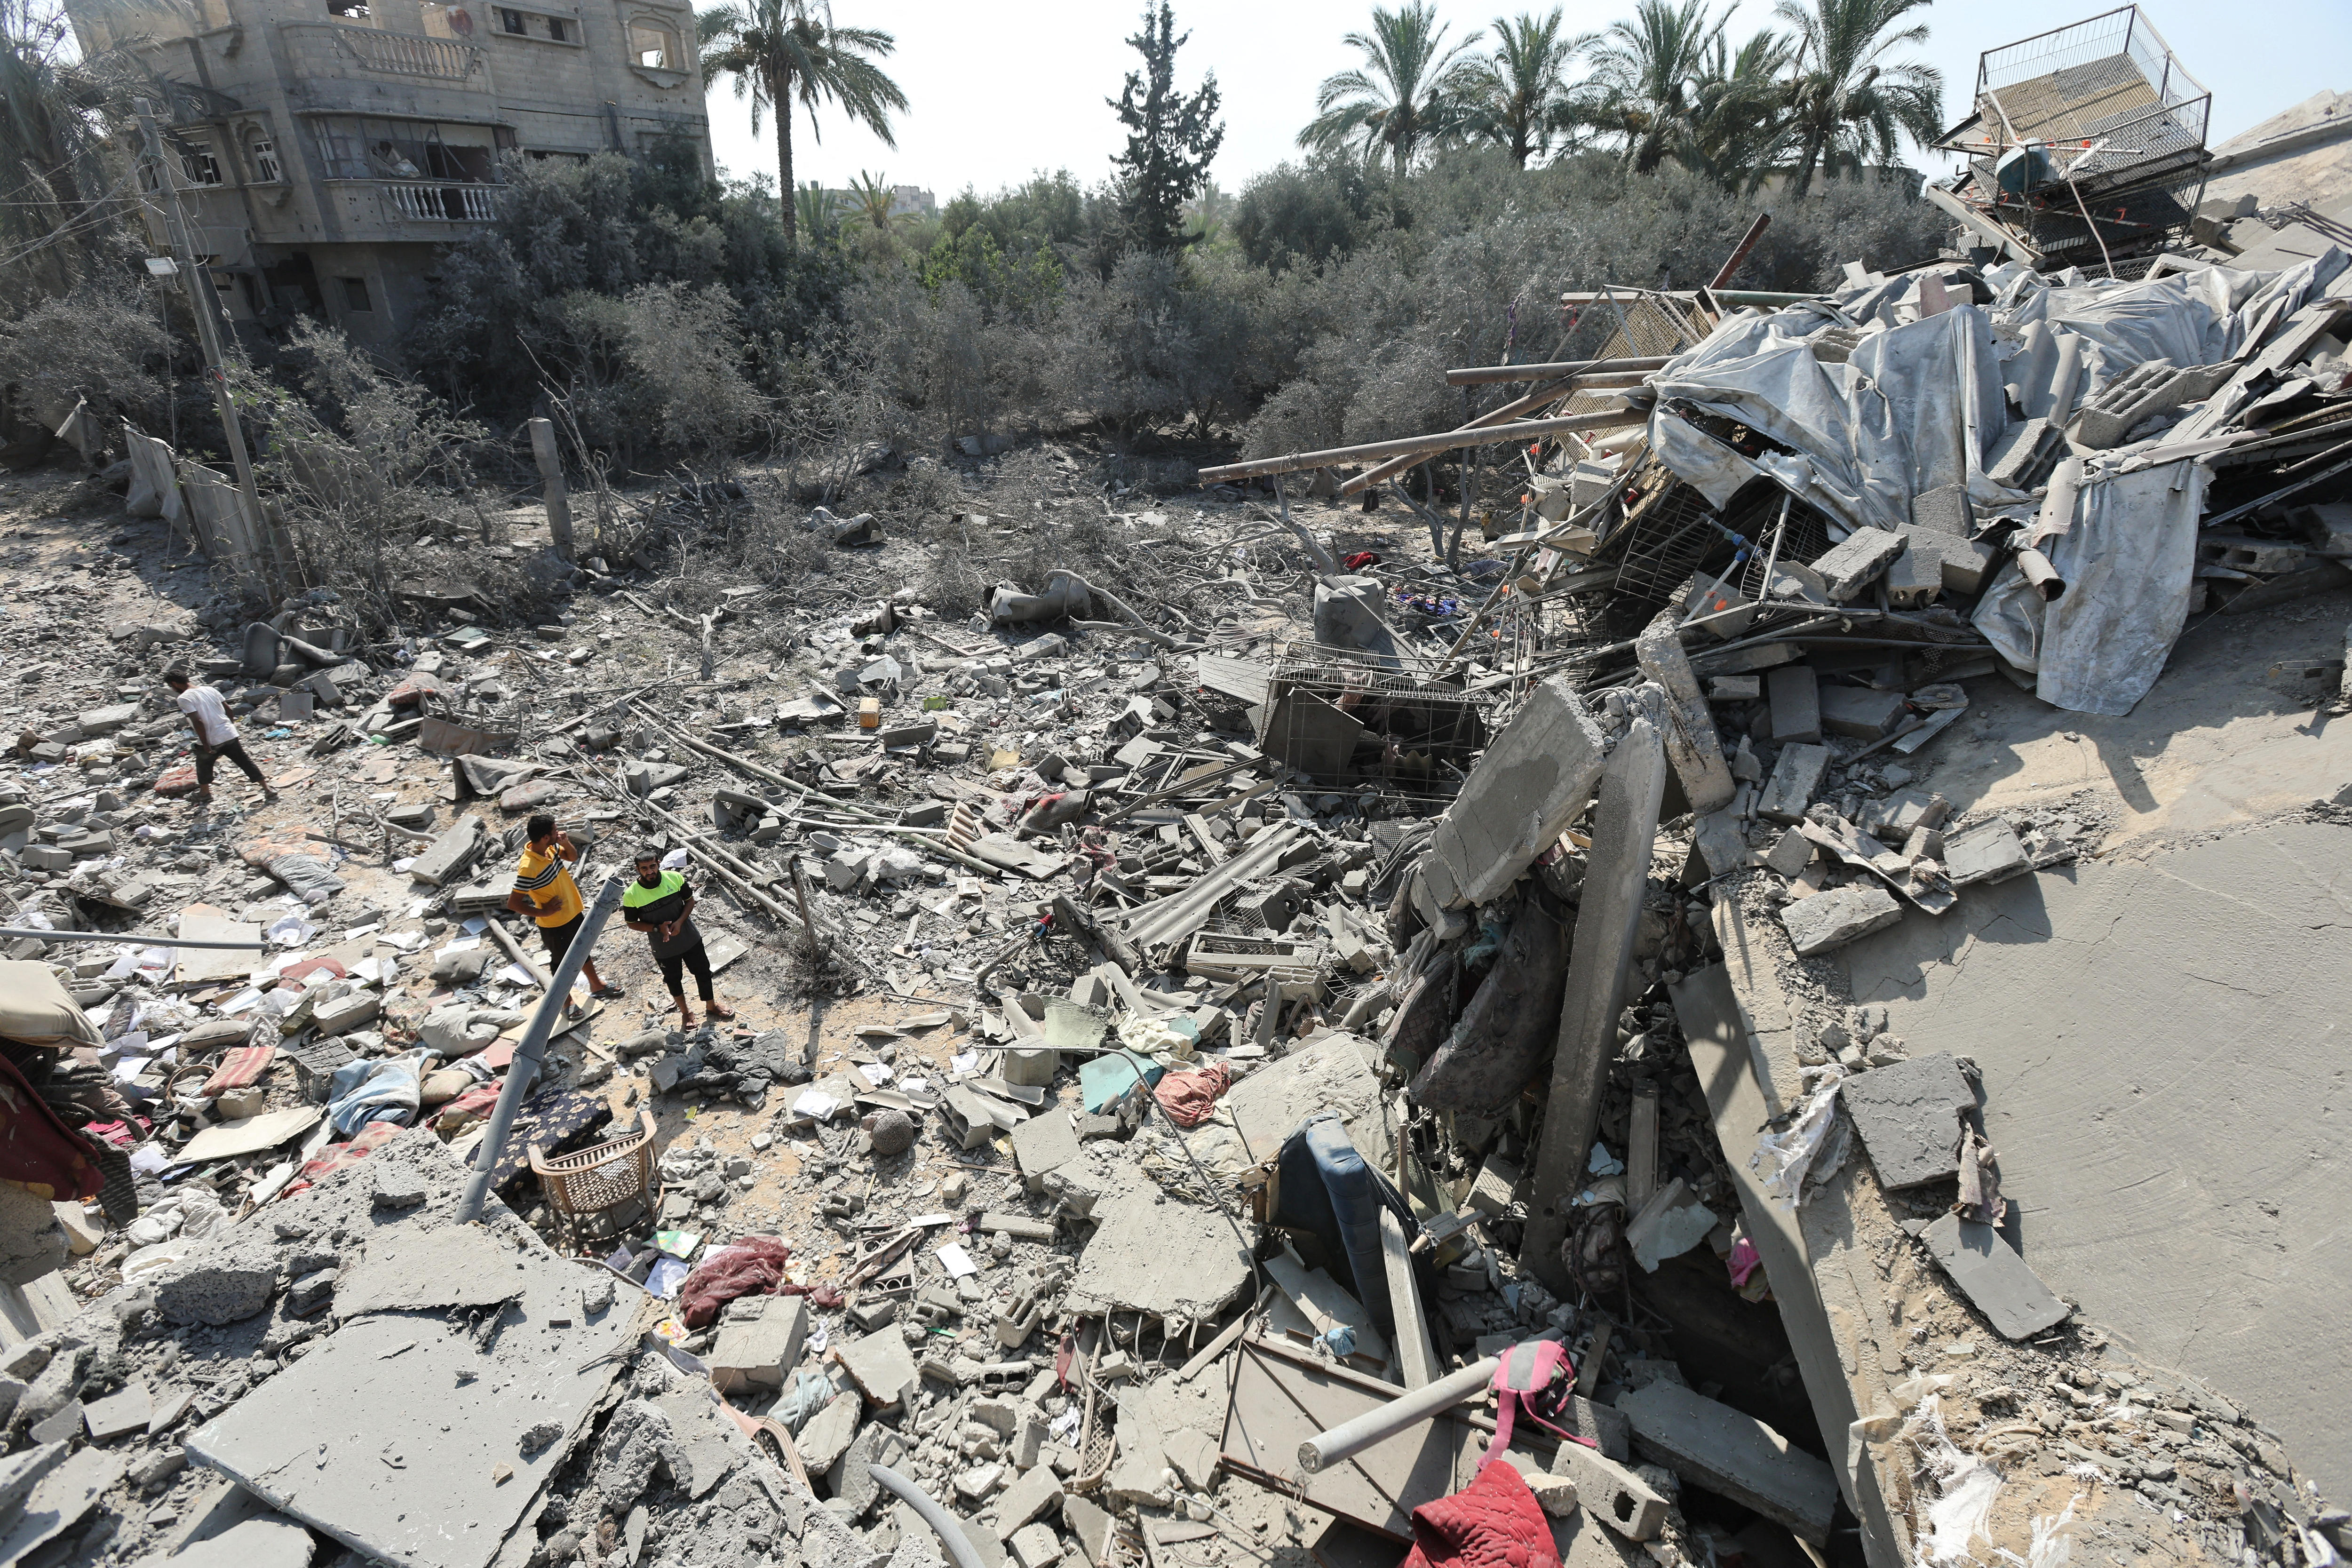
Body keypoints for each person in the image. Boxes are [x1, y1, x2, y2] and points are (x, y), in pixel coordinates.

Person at [507, 814, 623, 1008]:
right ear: (545, 837)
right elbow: (514, 903)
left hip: (573, 912)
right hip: (554, 925)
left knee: (583, 950)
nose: (558, 832)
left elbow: (572, 857)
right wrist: (543, 913)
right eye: (554, 831)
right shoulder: (528, 867)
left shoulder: (549, 849)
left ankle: (596, 985)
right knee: (560, 963)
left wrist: (566, 842)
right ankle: (566, 1002)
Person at [622, 848, 733, 1028]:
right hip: (663, 946)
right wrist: (658, 928)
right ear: (638, 869)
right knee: (674, 980)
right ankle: (686, 1013)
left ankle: (711, 1006)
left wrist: (680, 922)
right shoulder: (632, 895)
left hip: (689, 937)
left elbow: (690, 901)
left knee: (703, 972)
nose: (650, 872)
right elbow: (632, 923)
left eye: (652, 866)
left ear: (658, 864)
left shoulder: (674, 878)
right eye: (644, 868)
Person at [165, 663, 277, 808]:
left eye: (171, 687)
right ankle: (267, 789)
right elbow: (229, 710)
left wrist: (206, 744)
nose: (173, 690)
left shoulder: (184, 698)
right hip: (229, 733)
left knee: (203, 764)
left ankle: (205, 794)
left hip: (212, 738)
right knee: (245, 761)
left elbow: (198, 721)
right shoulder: (209, 689)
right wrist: (229, 727)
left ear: (175, 684)